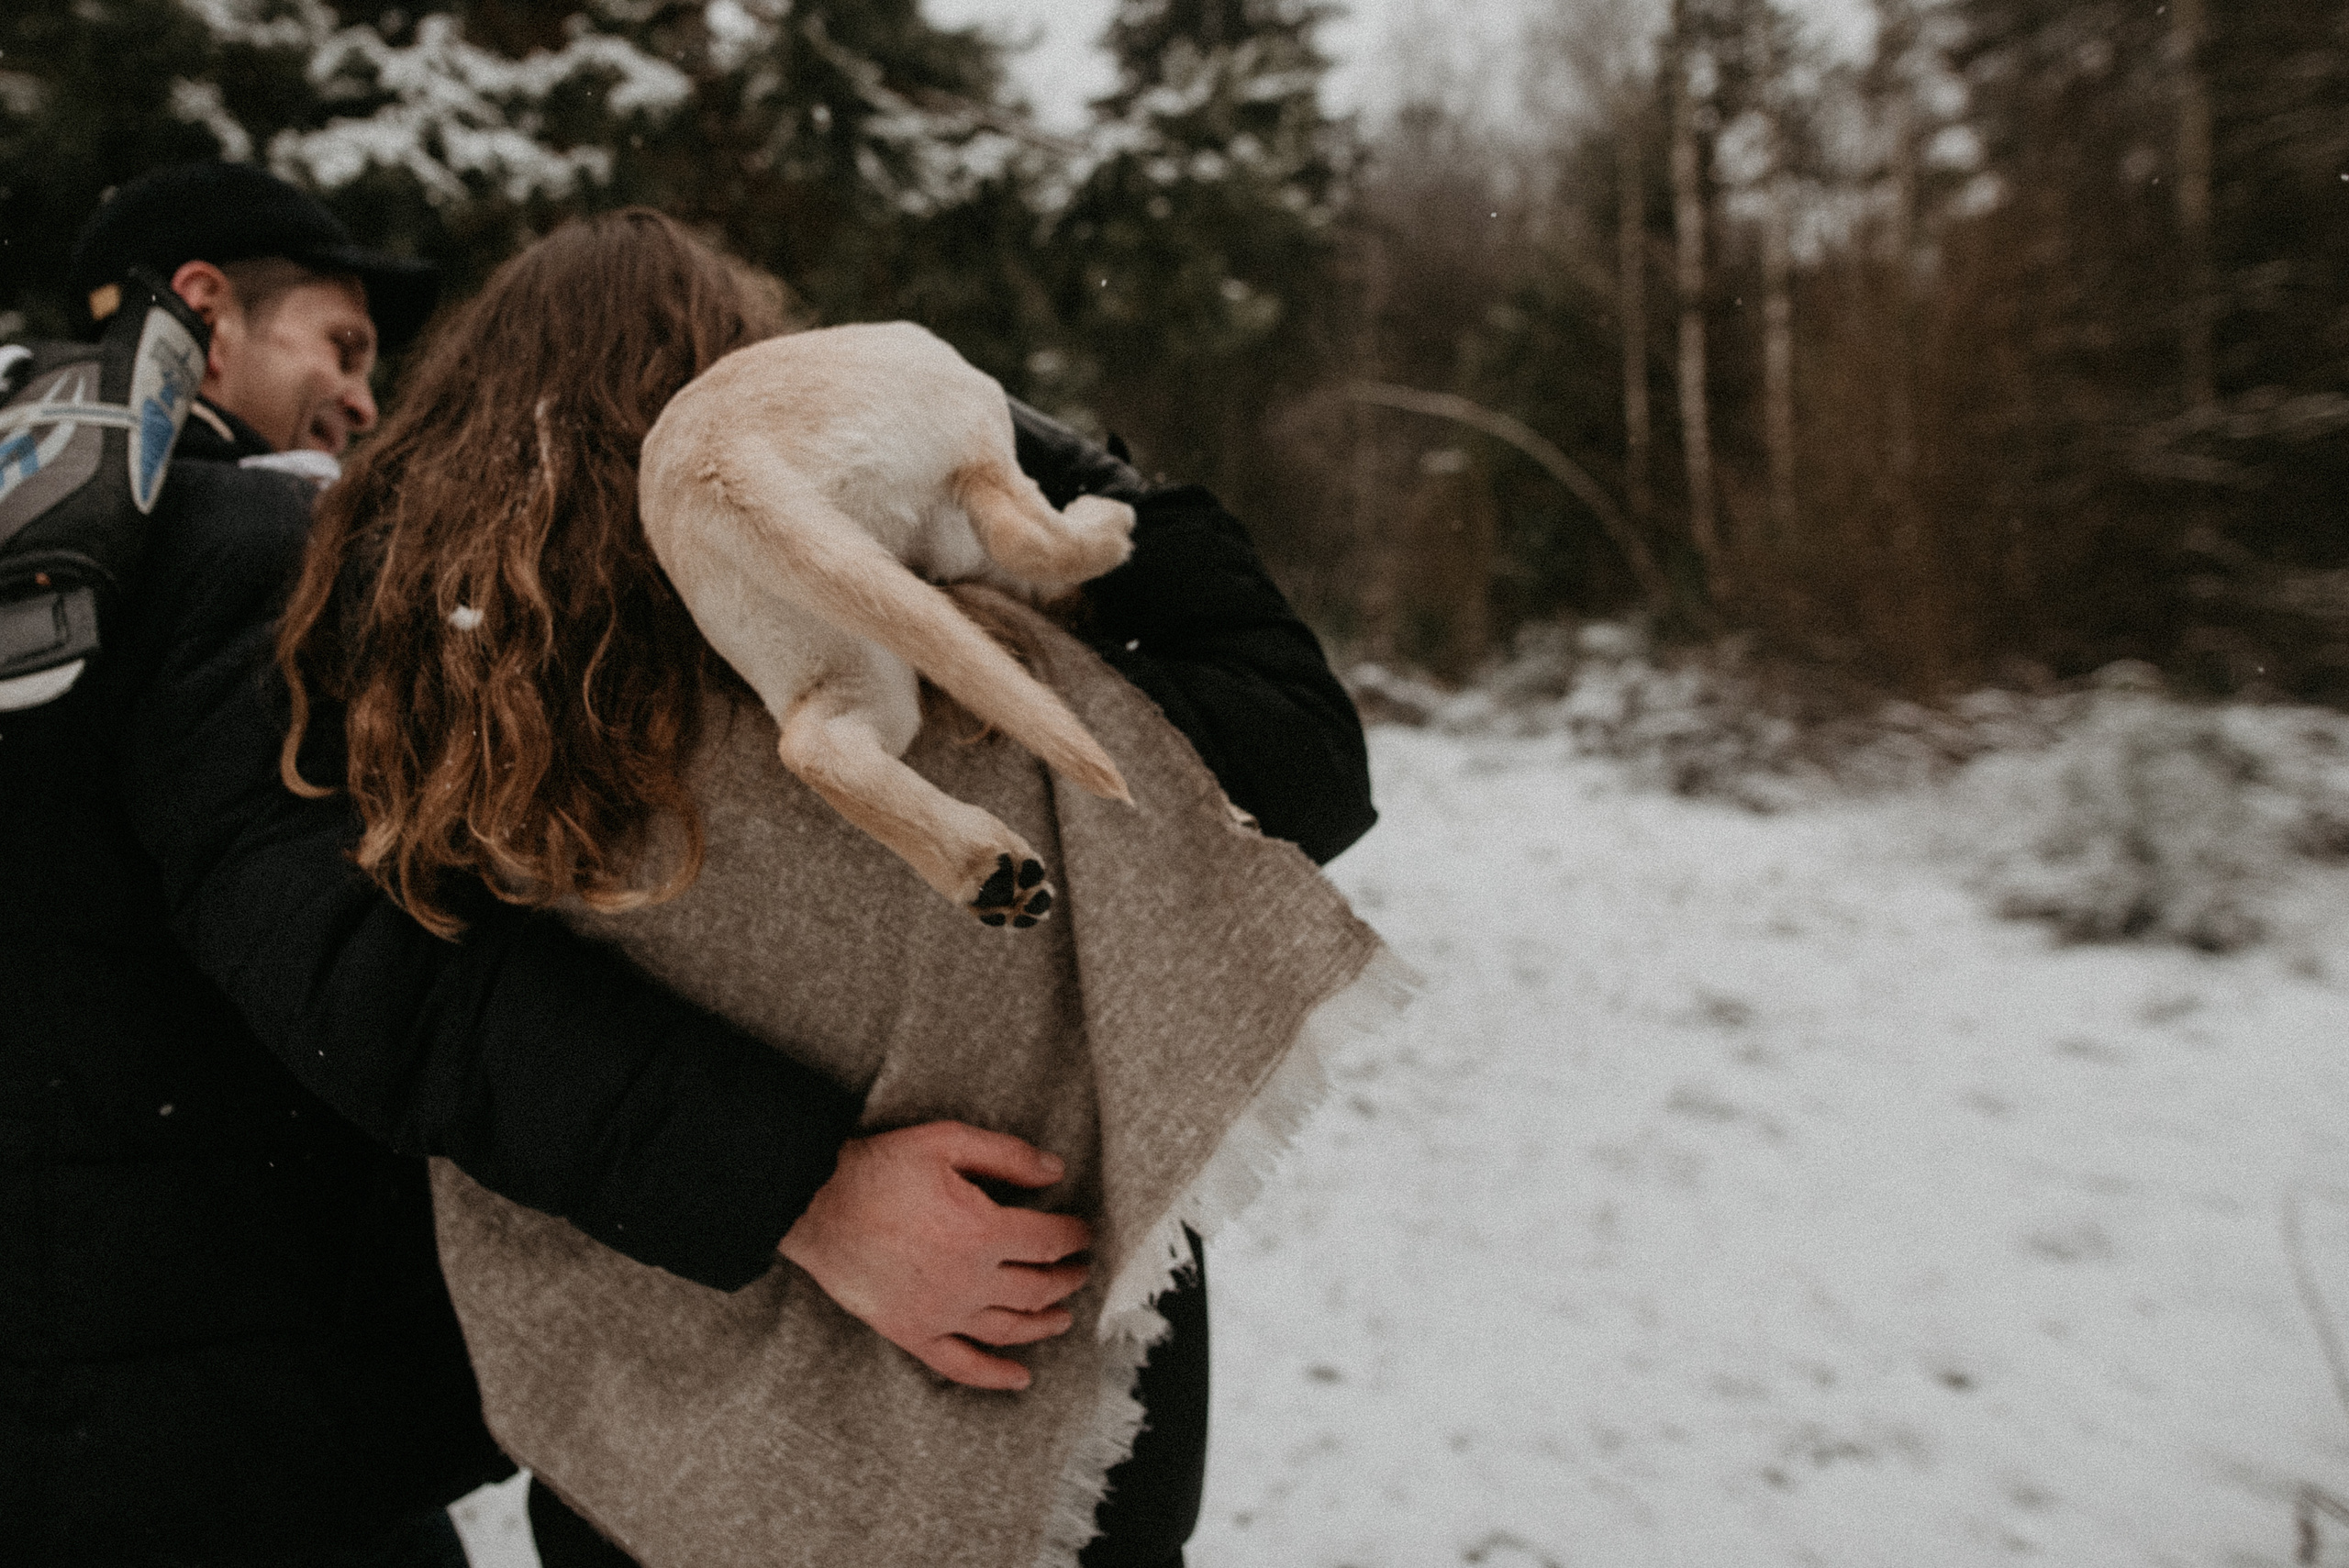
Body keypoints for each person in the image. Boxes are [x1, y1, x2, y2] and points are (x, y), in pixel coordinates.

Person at [44, 166, 1373, 1564]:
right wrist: (1002, 429)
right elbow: (1305, 751)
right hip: (1052, 1469)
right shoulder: (967, 682)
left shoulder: (449, 757)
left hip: (655, 1494)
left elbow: (404, 1014)